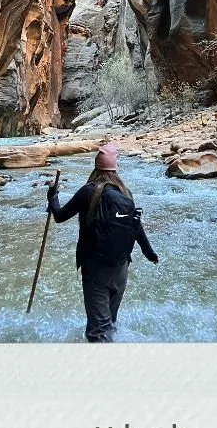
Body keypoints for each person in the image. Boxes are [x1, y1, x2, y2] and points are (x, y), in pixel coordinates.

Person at [46, 142, 158, 342]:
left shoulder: (88, 191)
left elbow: (60, 216)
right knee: (110, 324)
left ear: (96, 166)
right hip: (121, 267)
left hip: (95, 269)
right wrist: (149, 253)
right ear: (114, 169)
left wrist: (52, 198)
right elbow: (136, 226)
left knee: (99, 332)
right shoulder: (125, 193)